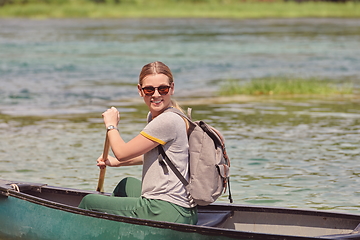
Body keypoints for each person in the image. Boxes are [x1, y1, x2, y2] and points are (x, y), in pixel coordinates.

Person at [78, 61, 198, 225]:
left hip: (166, 210)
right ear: (140, 91)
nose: (156, 95)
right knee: (125, 185)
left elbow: (121, 151)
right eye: (149, 89)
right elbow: (154, 155)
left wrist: (111, 125)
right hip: (183, 211)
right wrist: (116, 162)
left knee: (89, 202)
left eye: (162, 89)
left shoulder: (167, 120)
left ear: (172, 88)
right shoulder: (161, 115)